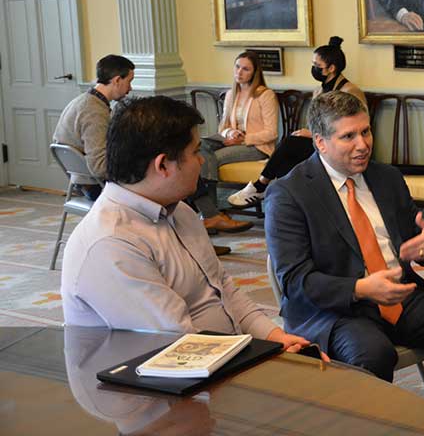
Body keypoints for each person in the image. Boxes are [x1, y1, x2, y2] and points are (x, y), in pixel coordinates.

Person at [265, 91, 424, 434]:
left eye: (365, 132)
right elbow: (295, 282)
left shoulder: (386, 177)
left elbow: (416, 241)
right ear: (320, 142)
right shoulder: (288, 194)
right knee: (373, 355)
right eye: (348, 136)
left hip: (402, 295)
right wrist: (361, 288)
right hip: (338, 311)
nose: (362, 144)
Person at [59, 95, 311, 355]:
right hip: (165, 385)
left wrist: (274, 336)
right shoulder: (111, 243)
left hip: (223, 359)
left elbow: (223, 289)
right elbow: (179, 347)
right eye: (195, 152)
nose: (202, 161)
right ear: (163, 165)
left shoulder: (181, 212)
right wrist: (262, 355)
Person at [227, 36, 365, 207]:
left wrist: (311, 134)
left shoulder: (349, 91)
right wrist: (309, 133)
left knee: (290, 144)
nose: (313, 68)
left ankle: (261, 185)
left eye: (317, 66)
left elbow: (352, 127)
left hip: (341, 145)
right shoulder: (319, 91)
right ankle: (286, 203)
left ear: (331, 68)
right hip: (322, 144)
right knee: (288, 158)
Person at [193, 50, 278, 234]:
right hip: (232, 140)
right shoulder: (232, 94)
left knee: (206, 158)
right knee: (198, 146)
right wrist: (231, 133)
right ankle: (213, 214)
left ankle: (211, 214)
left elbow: (272, 133)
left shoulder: (265, 95)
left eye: (246, 69)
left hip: (256, 146)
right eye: (237, 67)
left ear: (255, 73)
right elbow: (223, 126)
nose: (239, 72)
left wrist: (244, 139)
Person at [53, 54, 135, 200]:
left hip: (80, 182)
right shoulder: (94, 112)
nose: (130, 88)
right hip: (95, 187)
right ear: (117, 80)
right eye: (129, 81)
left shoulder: (83, 100)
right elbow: (99, 166)